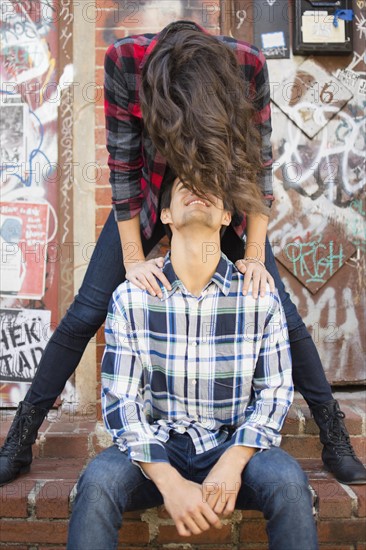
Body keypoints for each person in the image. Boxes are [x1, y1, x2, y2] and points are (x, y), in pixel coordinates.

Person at [0, 20, 364, 487]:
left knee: (279, 307)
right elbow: (124, 169)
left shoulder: (247, 66)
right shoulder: (125, 64)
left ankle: (335, 439)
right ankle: (20, 440)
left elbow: (259, 170)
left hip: (219, 192)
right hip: (151, 196)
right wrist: (133, 259)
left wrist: (254, 257)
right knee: (86, 310)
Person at [67, 174, 318, 550]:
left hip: (232, 443)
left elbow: (275, 393)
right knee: (98, 483)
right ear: (165, 215)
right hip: (156, 446)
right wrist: (168, 480)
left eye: (211, 185)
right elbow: (121, 401)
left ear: (226, 216)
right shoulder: (131, 299)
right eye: (185, 184)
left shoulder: (258, 298)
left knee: (288, 483)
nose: (199, 186)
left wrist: (234, 461)